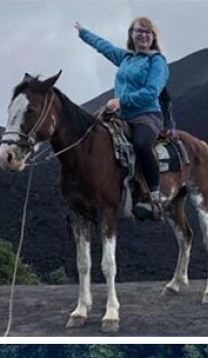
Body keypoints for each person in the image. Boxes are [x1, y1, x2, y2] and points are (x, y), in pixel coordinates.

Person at [74, 17, 168, 217]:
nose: (143, 35)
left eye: (148, 32)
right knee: (92, 136)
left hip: (146, 115)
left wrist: (121, 101)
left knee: (142, 145)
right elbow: (103, 46)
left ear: (153, 37)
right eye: (139, 31)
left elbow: (152, 92)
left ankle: (154, 196)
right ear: (131, 34)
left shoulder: (157, 61)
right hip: (121, 115)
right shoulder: (126, 58)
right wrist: (83, 32)